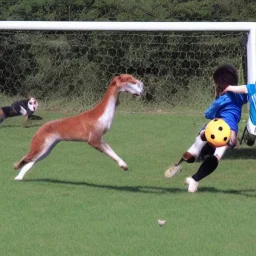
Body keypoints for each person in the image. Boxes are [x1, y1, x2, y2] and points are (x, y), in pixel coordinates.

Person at [165, 64, 248, 193]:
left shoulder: (221, 99)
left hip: (215, 127)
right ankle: (195, 179)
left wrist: (217, 103)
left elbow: (208, 114)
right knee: (216, 156)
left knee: (202, 137)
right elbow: (248, 94)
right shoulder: (241, 96)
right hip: (230, 134)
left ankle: (191, 154)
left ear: (221, 84)